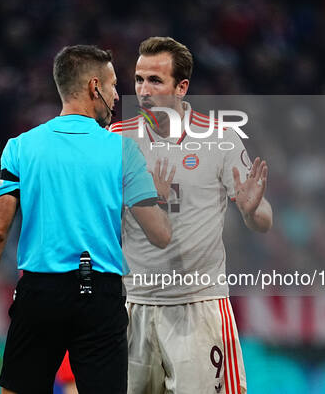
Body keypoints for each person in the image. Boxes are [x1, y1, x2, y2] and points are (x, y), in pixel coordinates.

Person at [0, 44, 172, 394]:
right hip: (101, 296)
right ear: (94, 87)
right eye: (111, 86)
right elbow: (159, 234)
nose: (115, 96)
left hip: (39, 293)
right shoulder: (123, 150)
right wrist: (163, 199)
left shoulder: (21, 147)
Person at [110, 37, 273, 394]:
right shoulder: (116, 139)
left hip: (198, 305)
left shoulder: (221, 139)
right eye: (139, 79)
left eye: (156, 80)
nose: (143, 90)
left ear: (182, 87)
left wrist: (250, 211)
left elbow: (263, 219)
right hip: (134, 305)